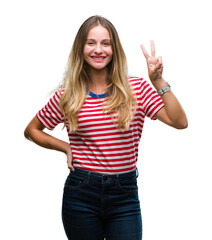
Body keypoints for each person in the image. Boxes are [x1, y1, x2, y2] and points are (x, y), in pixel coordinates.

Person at [24, 15, 188, 240]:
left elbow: (179, 122)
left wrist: (158, 81)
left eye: (105, 43)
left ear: (114, 49)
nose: (98, 50)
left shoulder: (136, 88)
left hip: (125, 194)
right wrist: (65, 147)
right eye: (91, 43)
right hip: (81, 192)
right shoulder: (68, 94)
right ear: (81, 48)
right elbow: (31, 130)